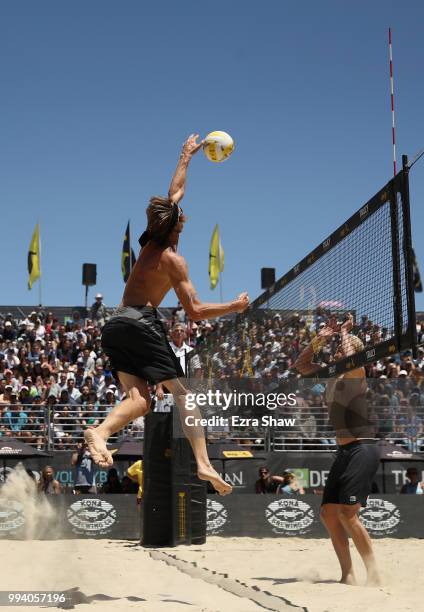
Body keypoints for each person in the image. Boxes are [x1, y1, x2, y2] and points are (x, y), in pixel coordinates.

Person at [84, 134, 249, 495]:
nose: (183, 225)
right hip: (142, 322)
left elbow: (174, 194)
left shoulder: (149, 242)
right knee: (184, 393)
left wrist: (186, 156)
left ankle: (100, 431)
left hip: (116, 325)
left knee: (140, 400)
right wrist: (234, 307)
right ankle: (204, 464)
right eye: (182, 224)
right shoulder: (174, 260)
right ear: (174, 227)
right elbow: (196, 311)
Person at [295, 313, 381, 586]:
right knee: (328, 514)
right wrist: (321, 338)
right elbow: (301, 363)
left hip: (362, 447)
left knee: (348, 513)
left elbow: (351, 355)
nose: (339, 350)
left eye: (345, 347)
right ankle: (348, 574)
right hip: (344, 451)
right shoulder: (330, 373)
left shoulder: (356, 372)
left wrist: (345, 331)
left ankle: (374, 573)